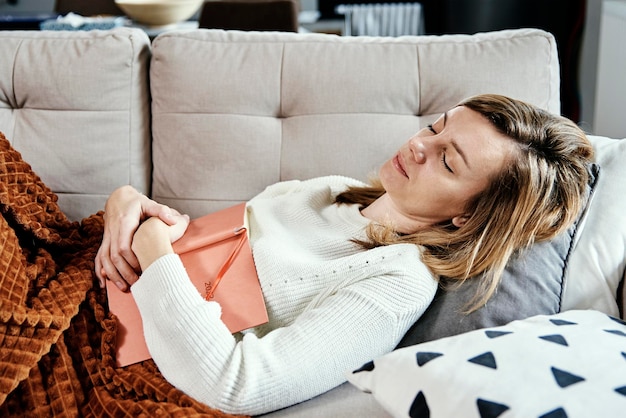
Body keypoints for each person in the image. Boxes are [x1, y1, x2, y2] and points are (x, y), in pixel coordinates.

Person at [95, 94, 593, 415]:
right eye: (437, 127)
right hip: (104, 279)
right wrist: (128, 205)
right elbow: (204, 256)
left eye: (447, 161)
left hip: (116, 351)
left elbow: (237, 384)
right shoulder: (331, 190)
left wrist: (152, 244)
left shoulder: (398, 281)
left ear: (469, 215)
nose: (421, 145)